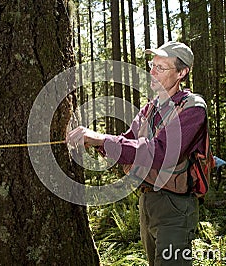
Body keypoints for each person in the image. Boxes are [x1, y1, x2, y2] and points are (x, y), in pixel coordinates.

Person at [67, 41, 208, 265]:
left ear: (182, 72)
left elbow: (161, 152)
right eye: (152, 65)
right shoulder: (149, 109)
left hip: (175, 206)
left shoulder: (192, 108)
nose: (151, 72)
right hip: (147, 201)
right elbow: (129, 143)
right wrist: (95, 142)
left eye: (161, 68)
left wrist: (102, 139)